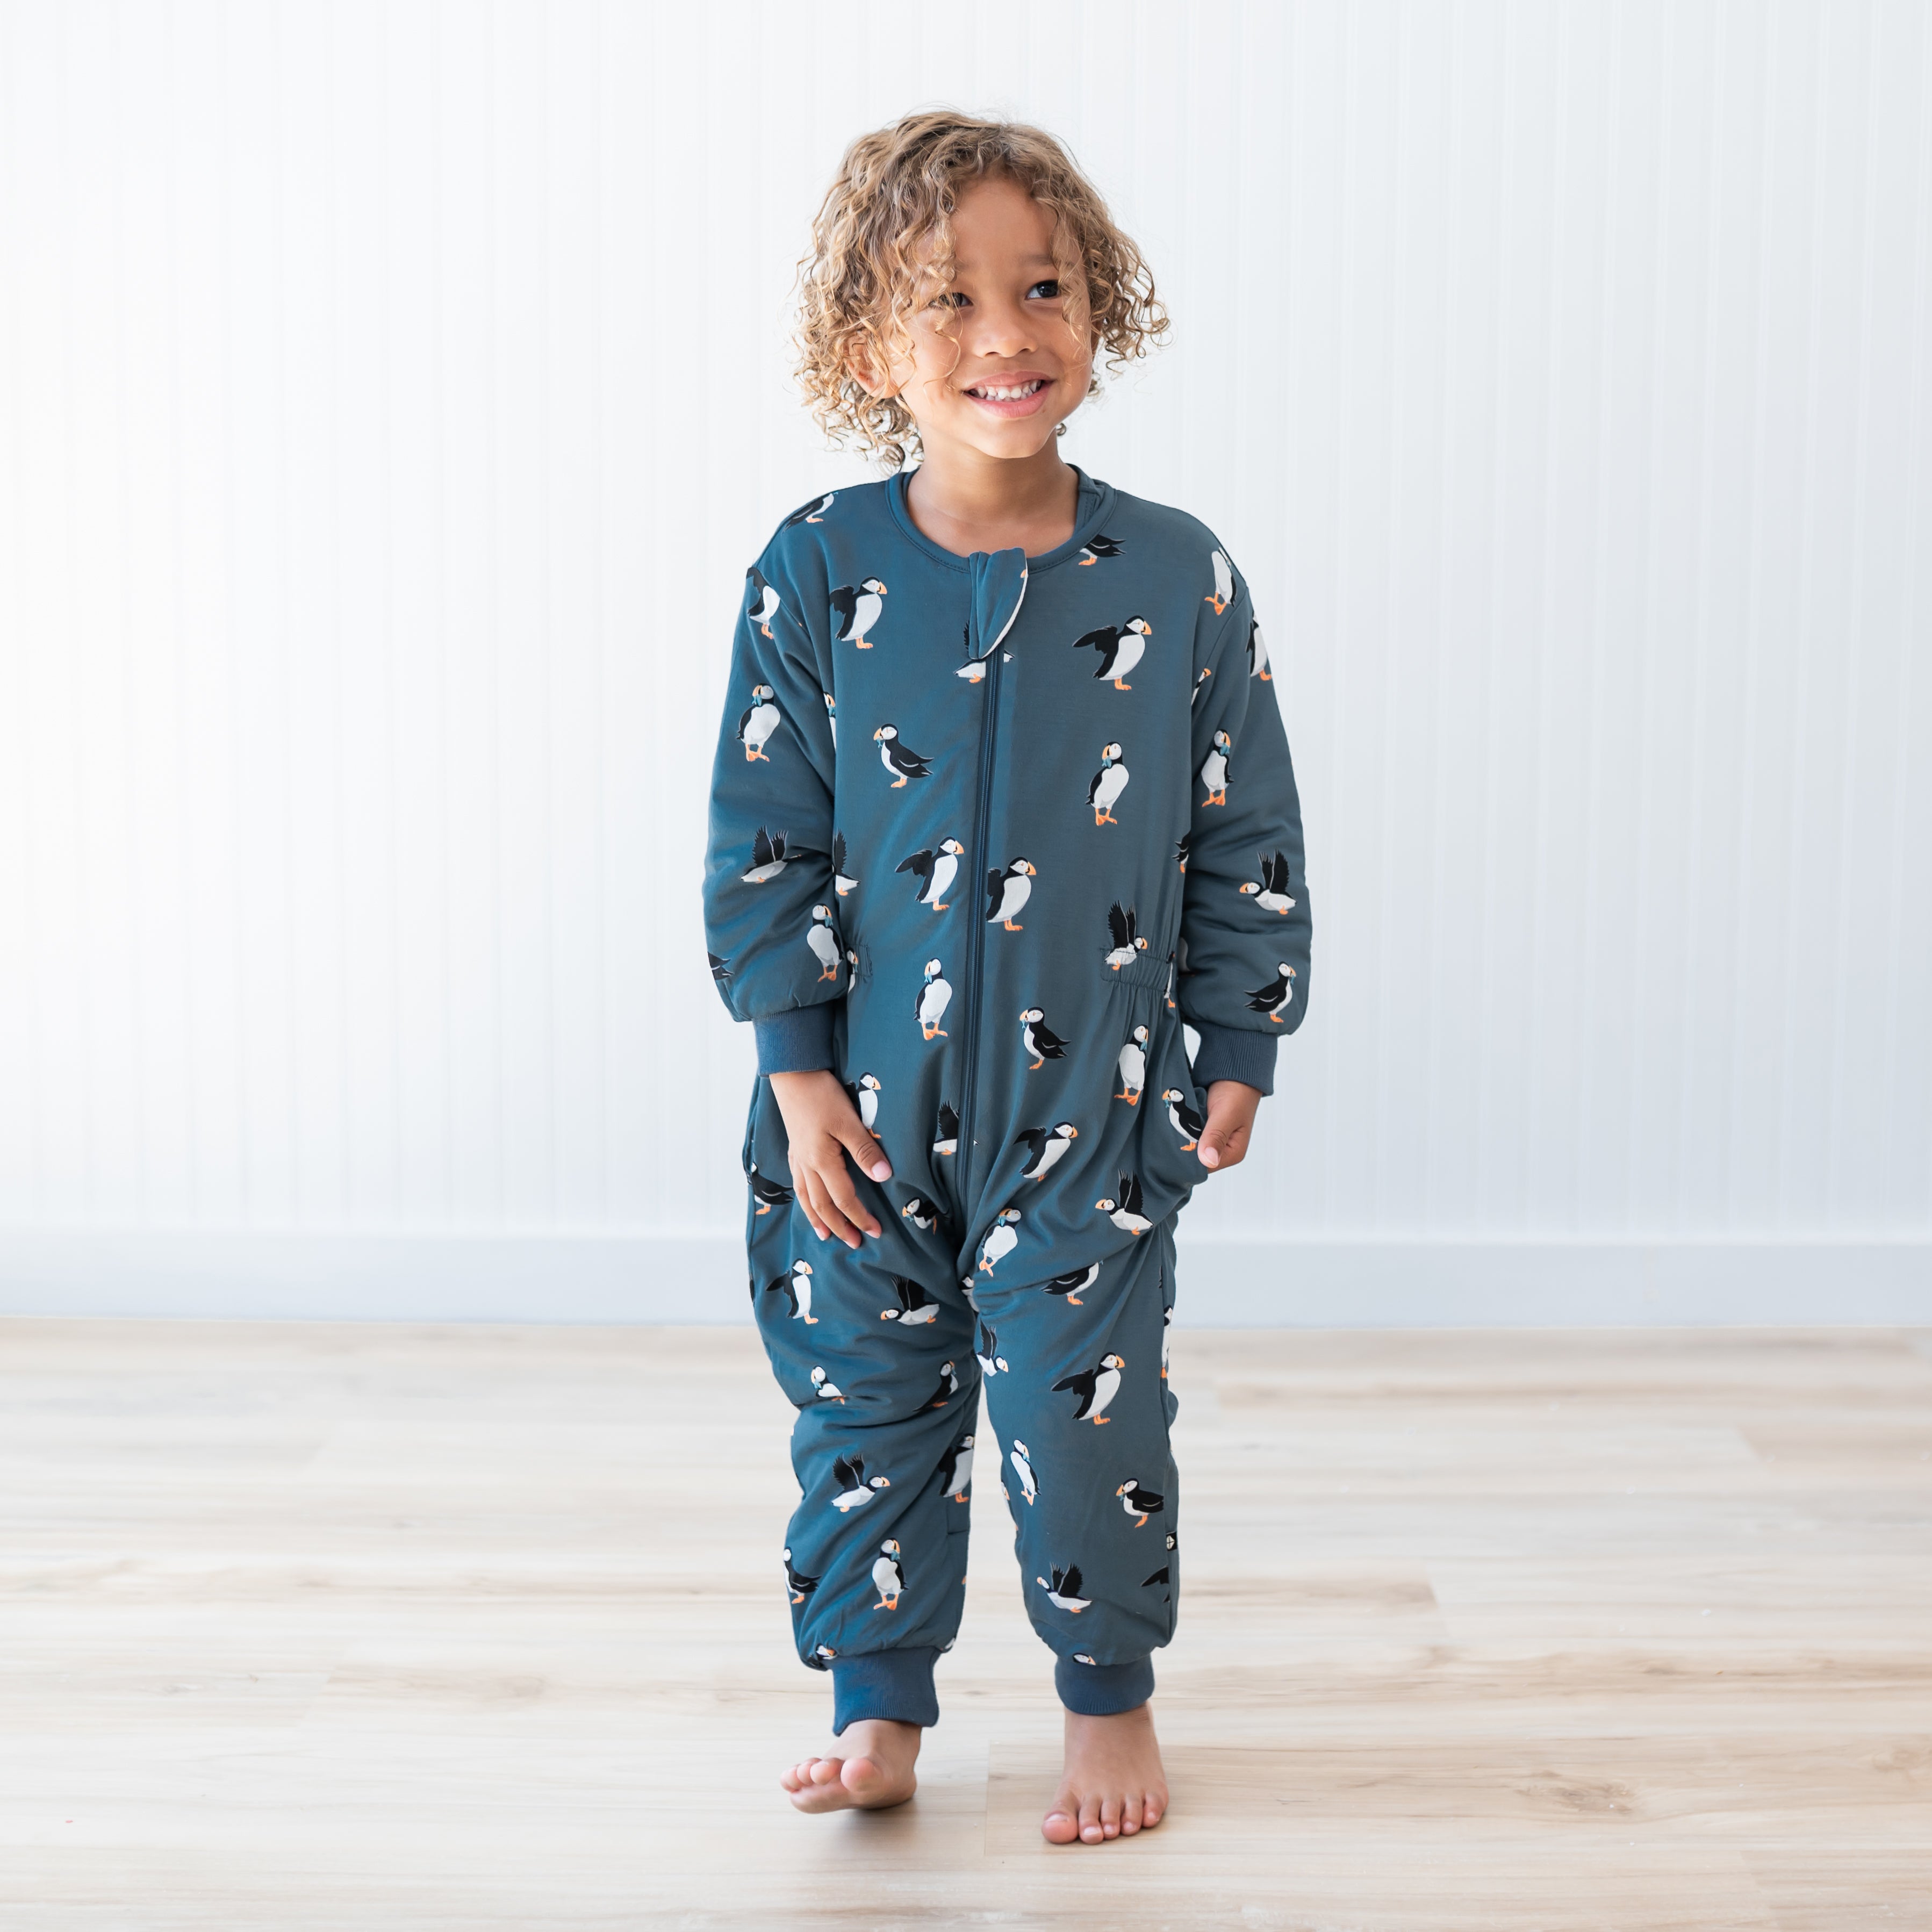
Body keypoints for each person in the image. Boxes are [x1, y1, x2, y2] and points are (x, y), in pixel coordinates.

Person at [701, 110, 1312, 1847]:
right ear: (861, 343)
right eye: (946, 297)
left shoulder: (1175, 577)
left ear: (1095, 308)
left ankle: (1102, 1699)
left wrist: (1239, 1029)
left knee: (1082, 1412)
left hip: (1091, 1107)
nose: (1003, 333)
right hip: (856, 1118)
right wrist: (797, 1069)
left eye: (1041, 287)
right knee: (864, 1408)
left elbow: (1239, 819)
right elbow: (764, 833)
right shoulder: (816, 570)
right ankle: (876, 1705)